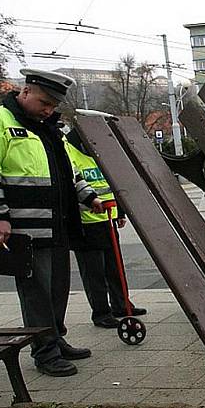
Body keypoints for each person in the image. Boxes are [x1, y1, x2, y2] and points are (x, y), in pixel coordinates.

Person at [0, 69, 100, 376]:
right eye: (44, 102)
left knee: (58, 287)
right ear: (25, 92)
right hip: (24, 228)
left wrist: (89, 197)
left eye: (53, 105)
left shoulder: (48, 129)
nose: (48, 109)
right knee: (37, 292)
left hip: (58, 224)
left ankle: (56, 339)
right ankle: (45, 352)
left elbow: (66, 173)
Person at [64, 130, 146, 328]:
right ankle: (101, 312)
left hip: (107, 218)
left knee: (114, 266)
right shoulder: (69, 150)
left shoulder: (99, 152)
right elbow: (72, 184)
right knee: (94, 272)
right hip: (85, 222)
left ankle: (121, 305)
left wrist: (120, 212)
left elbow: (112, 183)